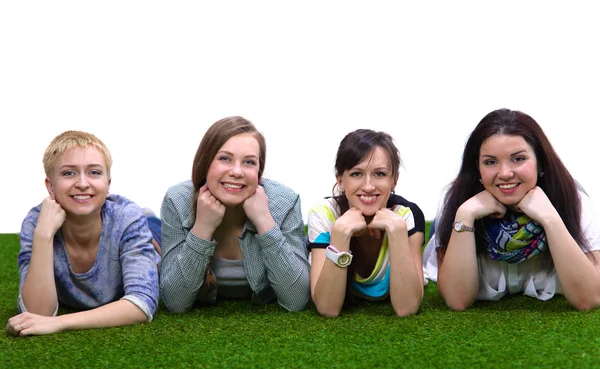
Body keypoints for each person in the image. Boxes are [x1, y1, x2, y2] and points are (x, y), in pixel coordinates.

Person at [423, 108, 600, 311]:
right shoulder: (457, 203)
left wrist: (550, 219)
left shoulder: (573, 200)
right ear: (477, 168)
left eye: (518, 159)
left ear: (540, 162)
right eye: (490, 162)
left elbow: (589, 298)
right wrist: (465, 215)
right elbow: (458, 301)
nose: (505, 173)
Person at [6, 131, 160, 337]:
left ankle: (149, 219)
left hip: (154, 235)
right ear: (50, 186)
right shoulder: (37, 222)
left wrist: (60, 323)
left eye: (94, 173)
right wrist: (43, 235)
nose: (82, 183)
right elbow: (36, 314)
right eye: (69, 173)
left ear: (108, 185)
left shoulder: (127, 217)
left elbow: (142, 303)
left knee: (153, 232)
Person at [159, 116, 310, 313]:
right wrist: (202, 228)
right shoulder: (177, 200)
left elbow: (296, 300)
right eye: (225, 159)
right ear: (206, 163)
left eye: (249, 162)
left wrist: (264, 221)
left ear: (259, 171)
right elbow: (175, 303)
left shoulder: (286, 201)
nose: (237, 171)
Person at [308, 129, 425, 317]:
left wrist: (396, 231)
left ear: (394, 180)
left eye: (379, 174)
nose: (369, 186)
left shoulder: (406, 216)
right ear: (340, 180)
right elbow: (327, 308)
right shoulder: (324, 214)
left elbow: (407, 308)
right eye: (356, 174)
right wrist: (340, 234)